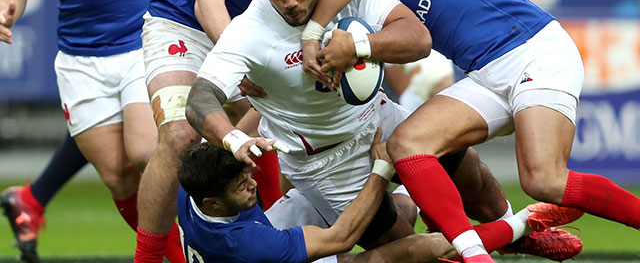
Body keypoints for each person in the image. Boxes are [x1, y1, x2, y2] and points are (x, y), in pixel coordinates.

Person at [186, 0, 582, 261]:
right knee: (404, 248)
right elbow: (200, 99)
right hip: (328, 162)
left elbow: (418, 39)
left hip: (380, 118)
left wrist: (360, 48)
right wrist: (233, 138)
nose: (289, 3)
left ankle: (518, 234)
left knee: (473, 178)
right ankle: (510, 229)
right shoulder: (249, 33)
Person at [300, 0, 640, 262]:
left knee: (543, 180)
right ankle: (478, 254)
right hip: (485, 73)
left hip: (532, 50)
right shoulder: (376, 2)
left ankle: (516, 230)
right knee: (408, 144)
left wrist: (312, 34)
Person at [134, 0, 347, 261]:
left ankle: (261, 236)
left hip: (262, 36)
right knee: (180, 135)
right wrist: (239, 62)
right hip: (185, 24)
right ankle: (148, 257)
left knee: (287, 126)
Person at [0, 0, 195, 262]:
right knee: (118, 177)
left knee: (146, 151)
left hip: (146, 40)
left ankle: (201, 249)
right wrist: (5, 6)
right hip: (79, 61)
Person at [177, 139, 581, 262]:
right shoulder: (248, 245)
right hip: (264, 253)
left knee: (397, 212)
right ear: (212, 203)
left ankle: (432, 205)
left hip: (259, 231)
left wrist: (245, 125)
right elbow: (340, 239)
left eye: (245, 173)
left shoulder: (193, 186)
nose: (252, 184)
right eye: (240, 185)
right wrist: (381, 169)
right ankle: (525, 223)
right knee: (392, 257)